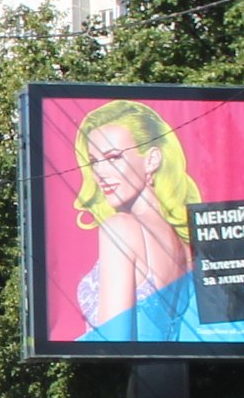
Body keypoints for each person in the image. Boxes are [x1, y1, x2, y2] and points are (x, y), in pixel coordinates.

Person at [70, 100, 200, 339]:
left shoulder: (121, 228)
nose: (100, 173)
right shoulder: (186, 241)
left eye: (113, 157)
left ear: (152, 159)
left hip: (123, 363)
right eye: (94, 161)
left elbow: (114, 342)